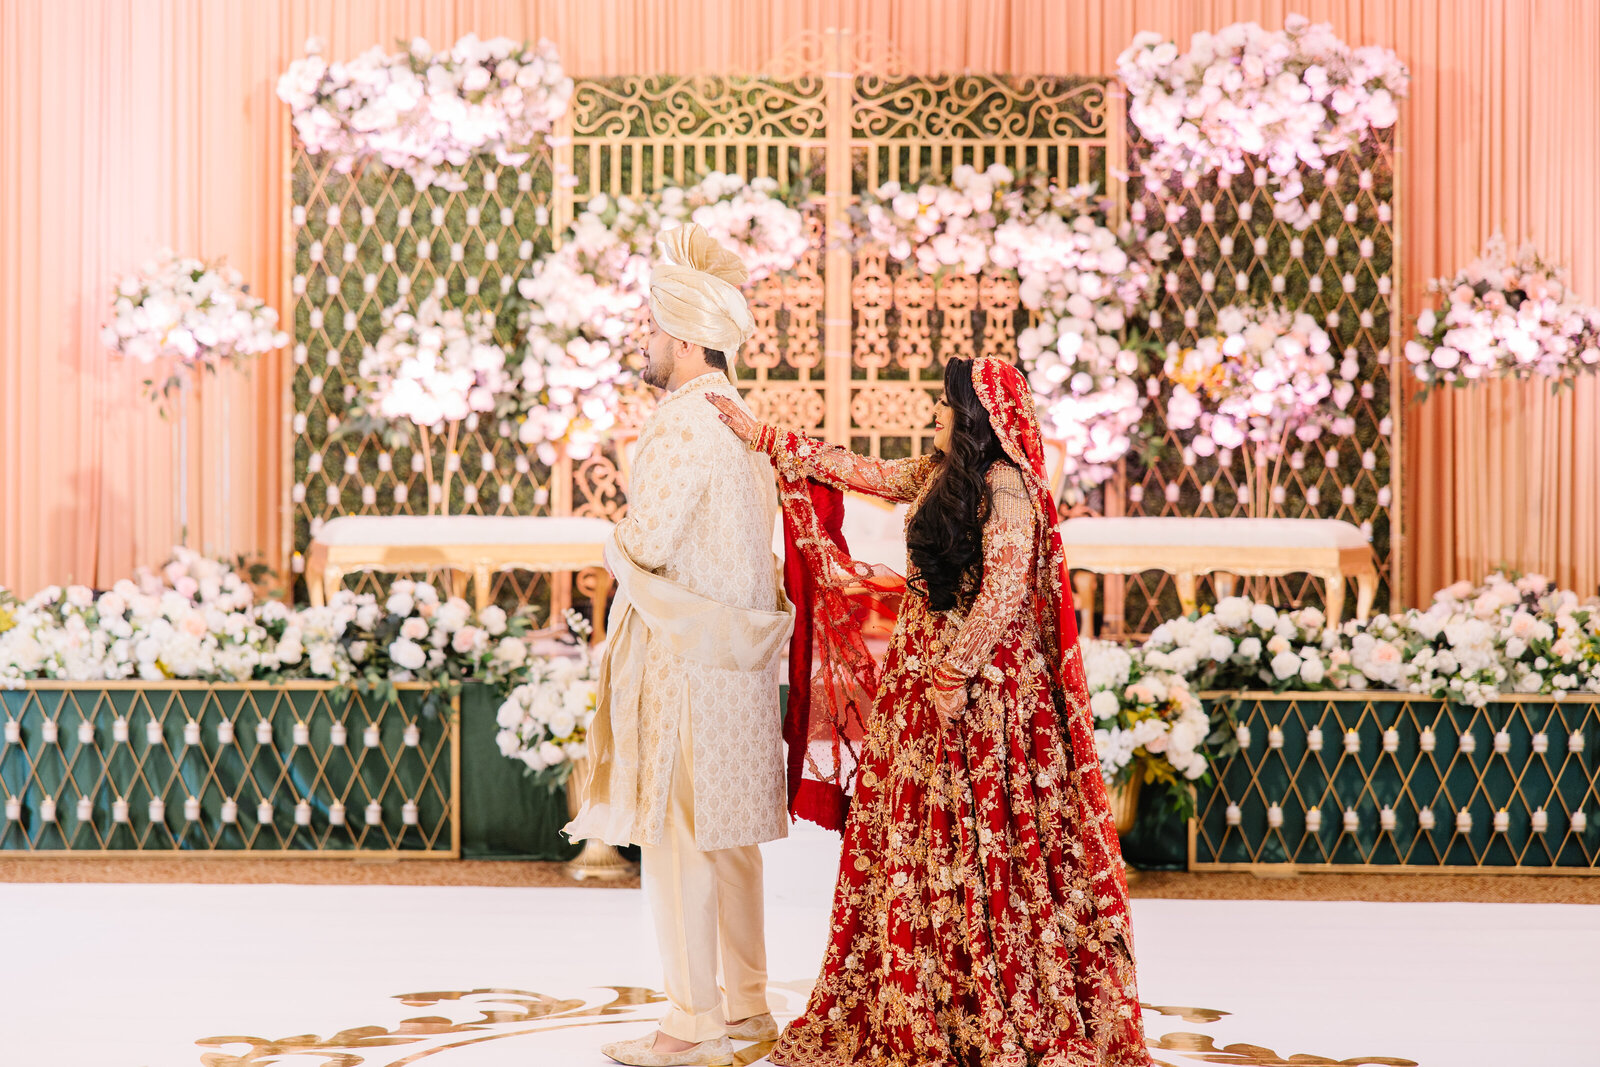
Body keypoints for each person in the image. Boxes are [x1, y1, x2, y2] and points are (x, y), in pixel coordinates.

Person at [707, 356, 1152, 1067]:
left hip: (985, 701)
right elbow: (864, 472)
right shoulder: (940, 474)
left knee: (983, 844)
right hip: (921, 691)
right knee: (915, 842)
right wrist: (767, 437)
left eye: (944, 408)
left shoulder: (1007, 487)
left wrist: (953, 669)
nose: (933, 417)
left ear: (975, 416)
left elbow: (1005, 594)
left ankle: (987, 1000)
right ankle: (925, 990)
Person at [565, 223, 795, 1067]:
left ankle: (693, 1023)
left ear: (691, 339)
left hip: (687, 662)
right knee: (728, 842)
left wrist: (609, 542)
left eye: (657, 328)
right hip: (737, 663)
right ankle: (747, 1008)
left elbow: (650, 539)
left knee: (678, 843)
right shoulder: (748, 426)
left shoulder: (680, 423)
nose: (649, 343)